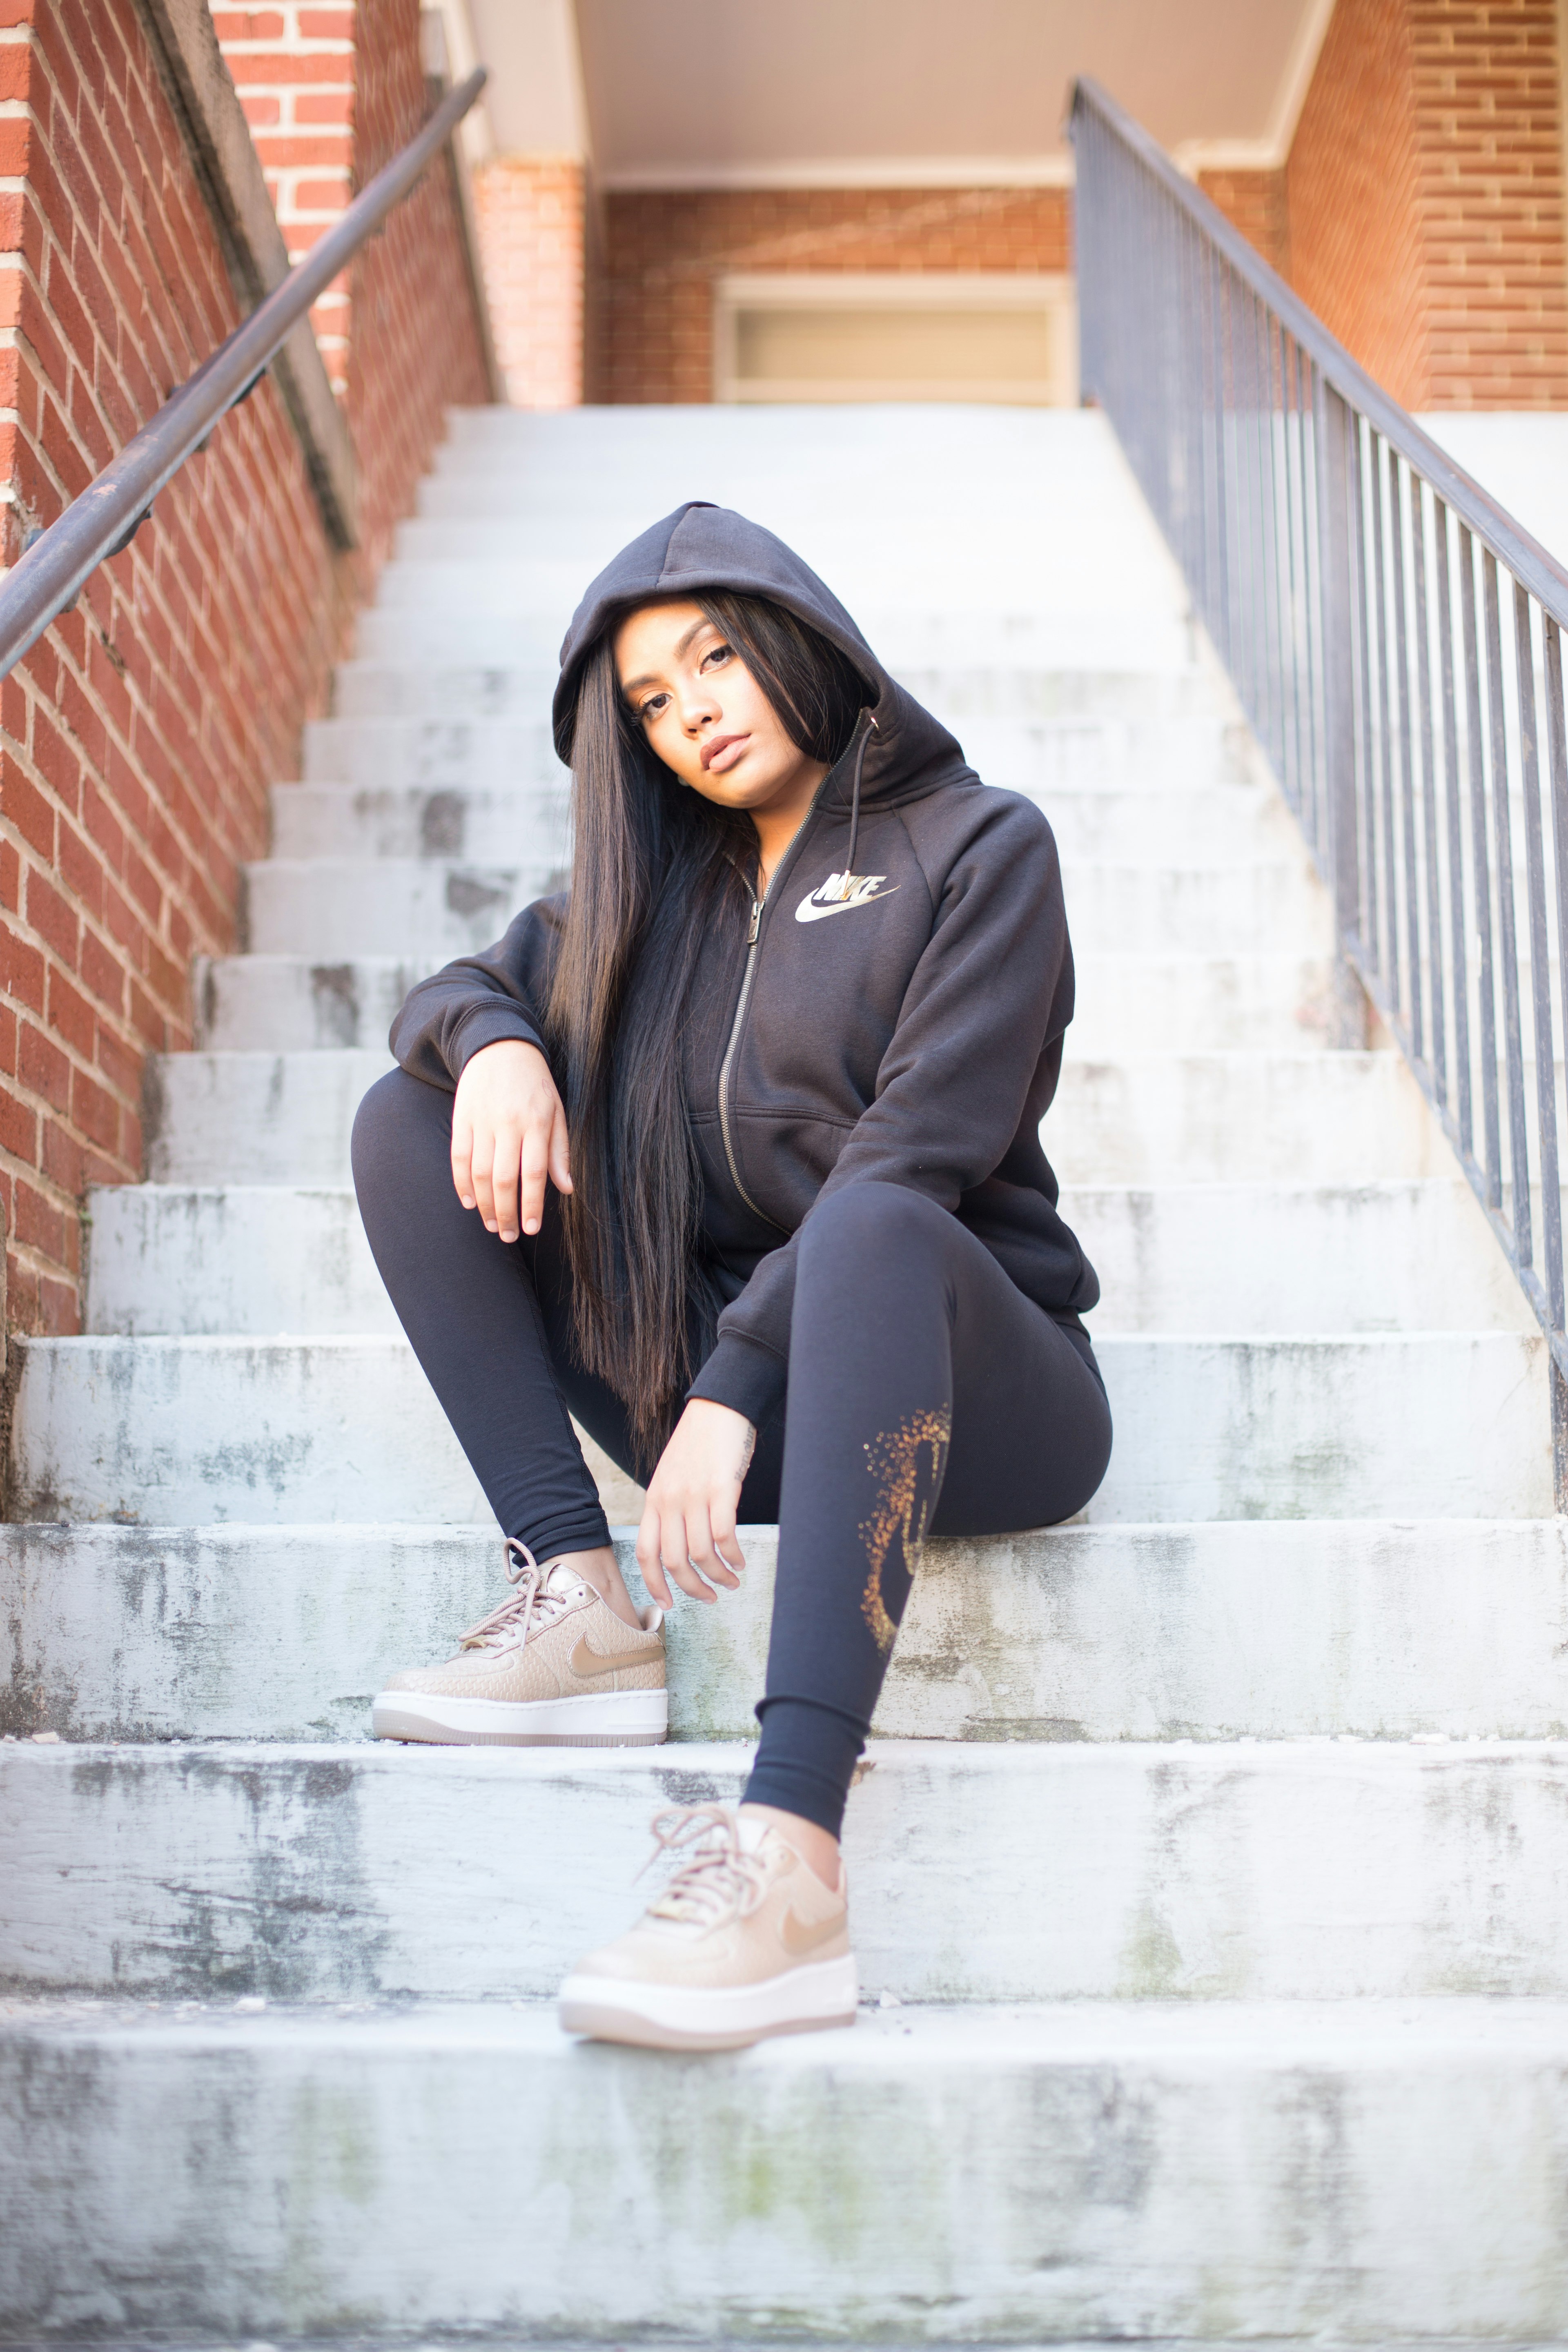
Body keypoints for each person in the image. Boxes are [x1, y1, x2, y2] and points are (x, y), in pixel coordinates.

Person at [351, 502, 1112, 2052]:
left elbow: (915, 1156)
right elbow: (450, 992)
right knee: (409, 1115)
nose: (693, 706)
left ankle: (791, 1861)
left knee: (883, 1226)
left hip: (959, 1394)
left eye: (714, 657)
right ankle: (578, 1598)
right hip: (714, 1418)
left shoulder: (979, 846)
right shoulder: (649, 903)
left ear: (795, 644)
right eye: (648, 697)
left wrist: (737, 1383)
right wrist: (498, 1044)